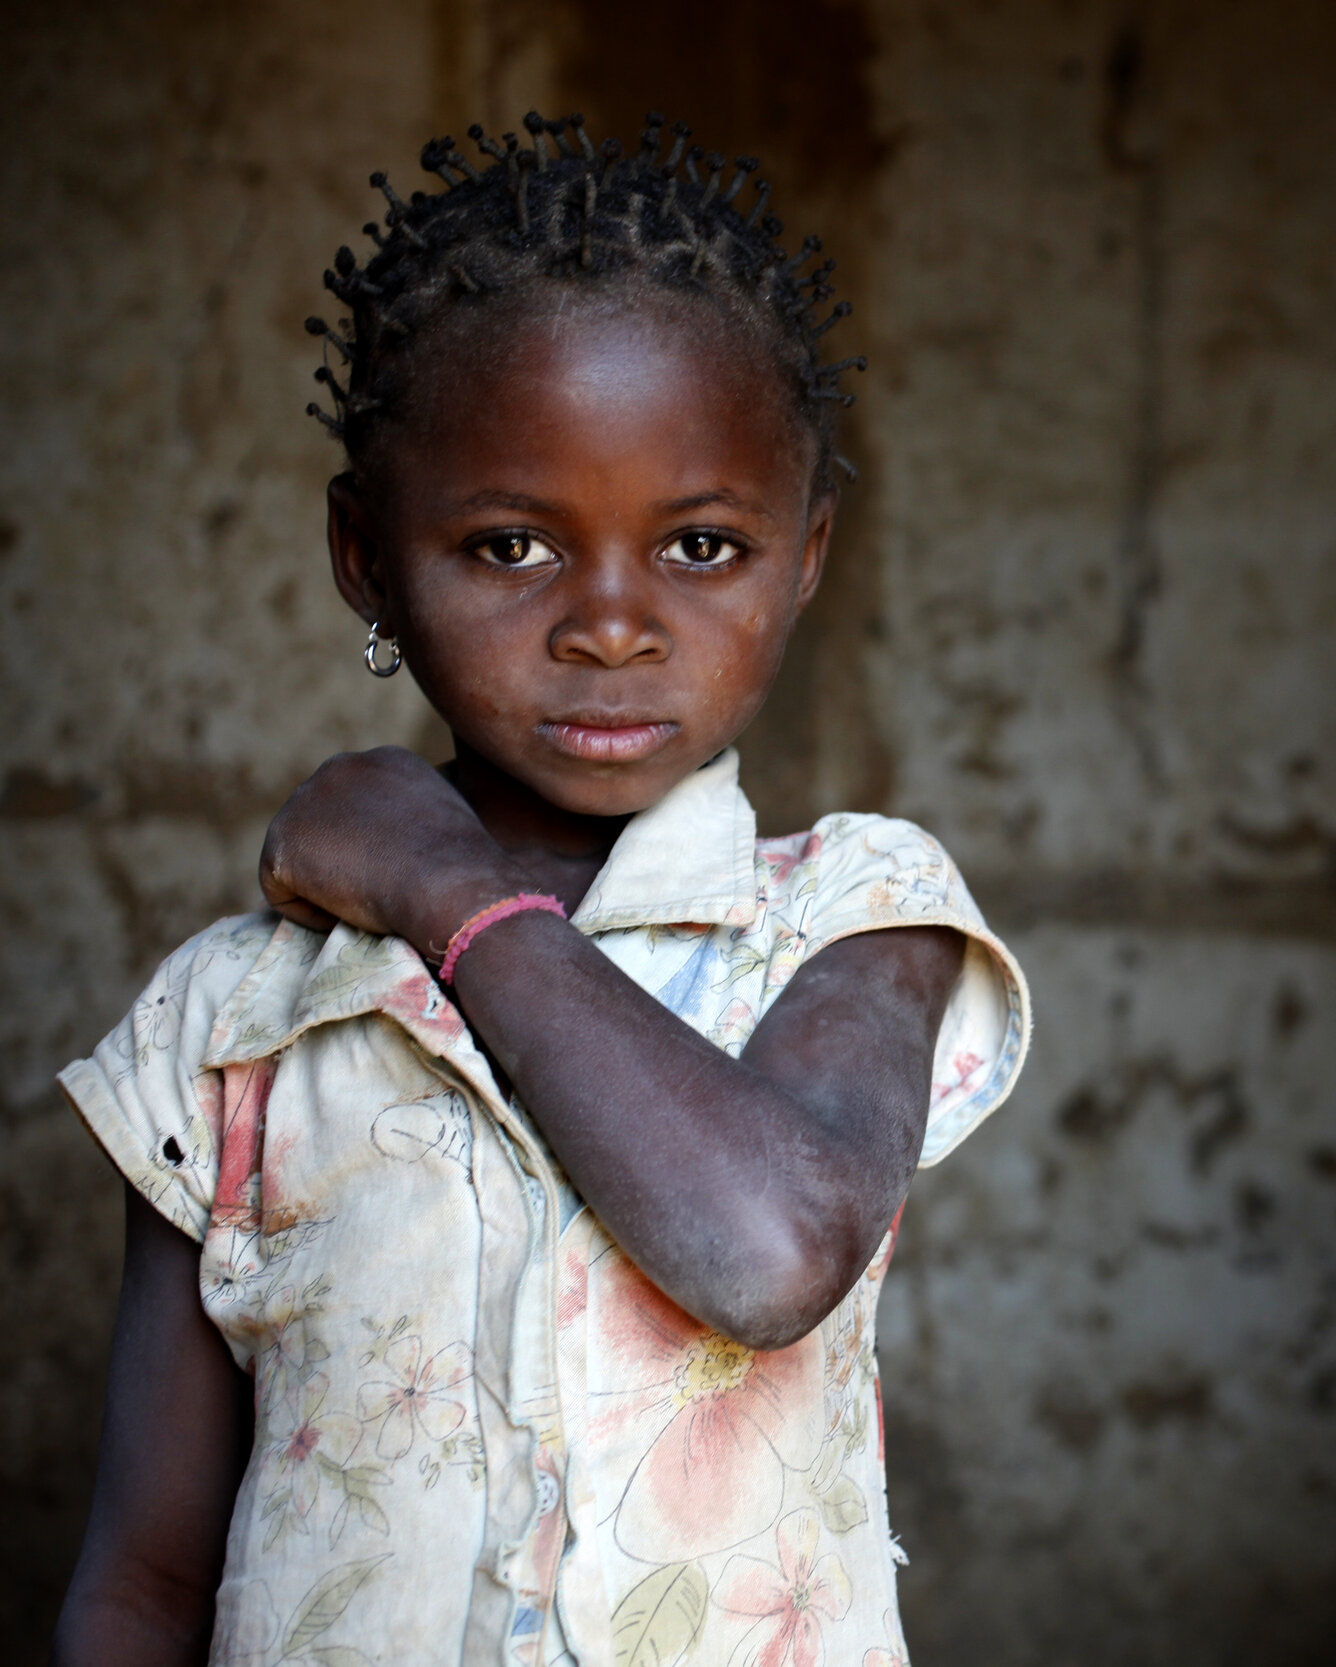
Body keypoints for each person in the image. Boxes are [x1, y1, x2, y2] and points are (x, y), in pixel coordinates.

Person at [50, 112, 1030, 1667]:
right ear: (365, 555)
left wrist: (446, 887)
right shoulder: (231, 1023)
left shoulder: (854, 916)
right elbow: (144, 1581)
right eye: (512, 545)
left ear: (806, 556)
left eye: (703, 545)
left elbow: (770, 1253)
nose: (612, 626)